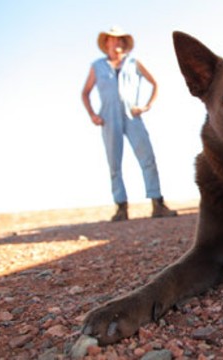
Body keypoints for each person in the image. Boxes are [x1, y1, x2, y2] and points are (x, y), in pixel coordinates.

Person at [81, 26, 177, 221]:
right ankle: (121, 207)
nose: (116, 43)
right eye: (112, 40)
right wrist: (93, 114)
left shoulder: (134, 63)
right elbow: (85, 92)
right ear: (106, 43)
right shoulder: (97, 66)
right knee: (114, 163)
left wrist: (146, 105)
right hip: (108, 117)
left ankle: (157, 203)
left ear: (124, 43)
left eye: (120, 40)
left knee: (147, 158)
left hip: (132, 114)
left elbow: (155, 83)